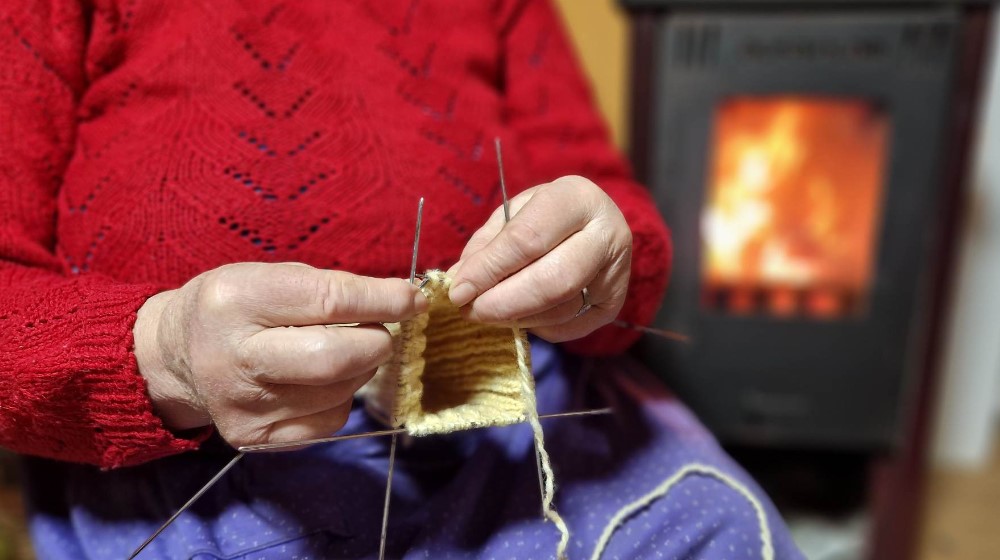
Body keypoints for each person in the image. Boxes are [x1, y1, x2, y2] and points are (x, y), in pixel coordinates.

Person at [0, 1, 804, 558]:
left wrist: (613, 252)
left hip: (527, 410)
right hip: (196, 464)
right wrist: (165, 353)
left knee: (711, 529)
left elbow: (602, 193)